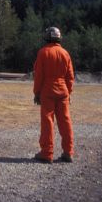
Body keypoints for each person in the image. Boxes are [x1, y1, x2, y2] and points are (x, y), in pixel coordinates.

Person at [33, 27, 74, 164]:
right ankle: (68, 152)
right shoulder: (65, 53)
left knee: (47, 122)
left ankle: (47, 153)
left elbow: (38, 75)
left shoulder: (43, 52)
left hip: (48, 91)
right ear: (59, 38)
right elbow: (70, 76)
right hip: (63, 91)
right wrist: (69, 92)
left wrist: (36, 93)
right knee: (65, 121)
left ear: (47, 37)